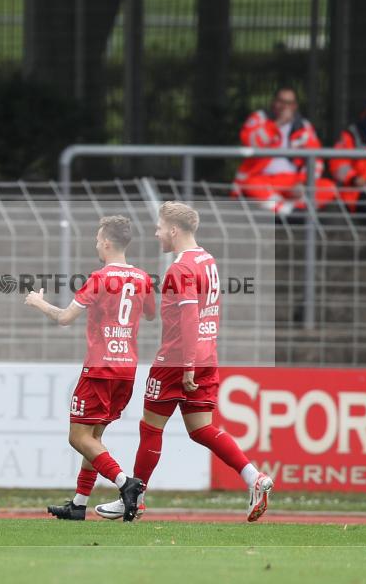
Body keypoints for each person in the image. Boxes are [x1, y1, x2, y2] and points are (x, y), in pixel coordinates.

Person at [95, 202, 273, 522]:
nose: (157, 233)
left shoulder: (180, 268)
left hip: (178, 359)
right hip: (207, 354)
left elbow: (190, 315)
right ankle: (254, 478)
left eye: (160, 227)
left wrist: (187, 364)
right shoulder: (207, 260)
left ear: (174, 230)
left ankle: (134, 498)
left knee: (151, 428)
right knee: (201, 428)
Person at [25, 216, 154, 522]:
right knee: (94, 437)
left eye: (98, 240)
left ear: (107, 243)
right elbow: (150, 315)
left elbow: (65, 318)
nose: (96, 244)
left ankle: (126, 484)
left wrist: (38, 303)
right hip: (126, 369)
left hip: (100, 367)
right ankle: (79, 504)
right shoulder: (143, 277)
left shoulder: (99, 278)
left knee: (78, 437)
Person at [233, 86, 337, 218]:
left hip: (294, 181)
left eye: (289, 103)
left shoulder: (303, 126)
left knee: (328, 187)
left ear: (295, 106)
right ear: (273, 102)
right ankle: (293, 212)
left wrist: (303, 183)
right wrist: (278, 124)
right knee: (250, 185)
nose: (284, 106)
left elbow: (316, 160)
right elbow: (251, 142)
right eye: (281, 101)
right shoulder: (260, 118)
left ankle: (283, 209)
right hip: (263, 180)